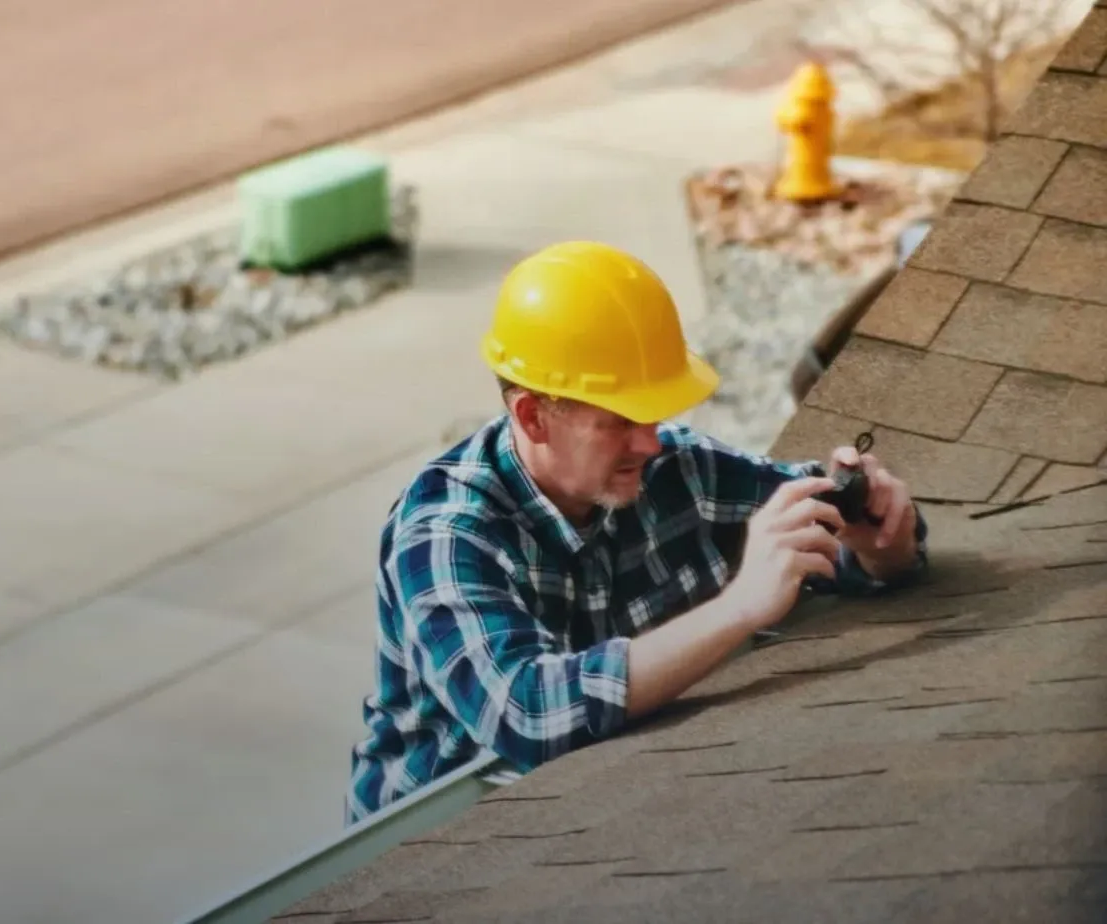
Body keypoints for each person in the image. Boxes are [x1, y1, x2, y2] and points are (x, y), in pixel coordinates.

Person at [345, 241, 929, 824]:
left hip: (610, 804)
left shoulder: (675, 469)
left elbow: (830, 529)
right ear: (532, 416)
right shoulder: (444, 536)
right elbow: (530, 715)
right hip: (430, 848)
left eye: (654, 412)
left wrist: (879, 541)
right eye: (621, 421)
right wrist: (742, 607)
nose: (649, 442)